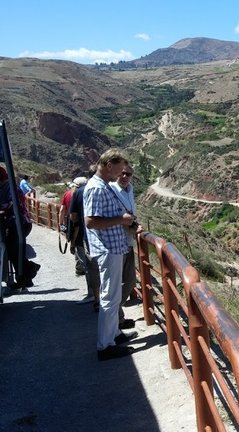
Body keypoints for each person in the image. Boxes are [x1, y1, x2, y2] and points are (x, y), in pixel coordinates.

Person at [84, 149, 138, 361]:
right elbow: (90, 221)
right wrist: (122, 220)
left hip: (113, 248)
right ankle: (105, 345)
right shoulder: (97, 189)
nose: (121, 173)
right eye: (119, 168)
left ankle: (114, 334)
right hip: (108, 249)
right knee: (109, 297)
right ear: (108, 165)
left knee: (114, 296)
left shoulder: (103, 186)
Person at [109, 164, 141, 330]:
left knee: (129, 281)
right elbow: (114, 216)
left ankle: (116, 315)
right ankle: (115, 319)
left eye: (128, 174)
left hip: (128, 242)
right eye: (122, 173)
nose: (125, 176)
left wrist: (135, 225)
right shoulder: (111, 190)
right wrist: (128, 225)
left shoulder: (130, 189)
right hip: (116, 243)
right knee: (115, 284)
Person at [0, 167, 40, 290]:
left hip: (19, 223)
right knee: (13, 252)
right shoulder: (4, 188)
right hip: (12, 223)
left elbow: (10, 204)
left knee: (14, 251)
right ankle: (25, 279)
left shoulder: (11, 188)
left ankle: (29, 270)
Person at [68, 171, 100, 310]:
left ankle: (92, 294)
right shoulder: (99, 190)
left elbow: (74, 220)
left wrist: (73, 241)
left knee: (89, 267)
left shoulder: (78, 193)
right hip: (99, 235)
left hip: (83, 237)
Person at [60, 177, 88, 276]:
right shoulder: (88, 194)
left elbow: (62, 210)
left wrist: (61, 224)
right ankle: (81, 268)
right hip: (85, 226)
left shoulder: (68, 194)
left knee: (78, 247)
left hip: (73, 224)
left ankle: (80, 268)